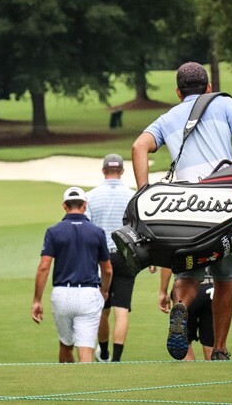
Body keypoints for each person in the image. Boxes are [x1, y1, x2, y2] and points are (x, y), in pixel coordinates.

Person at [131, 61, 232, 360]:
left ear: (178, 92)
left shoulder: (167, 118)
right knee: (224, 278)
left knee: (188, 274)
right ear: (208, 88)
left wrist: (143, 194)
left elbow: (139, 146)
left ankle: (180, 306)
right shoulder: (224, 104)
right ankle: (218, 349)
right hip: (223, 206)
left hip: (185, 211)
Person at [31, 187, 113, 363]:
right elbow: (107, 269)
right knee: (86, 350)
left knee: (65, 344)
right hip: (88, 294)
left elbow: (44, 267)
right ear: (84, 205)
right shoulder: (97, 232)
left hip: (62, 294)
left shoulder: (53, 231)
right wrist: (104, 290)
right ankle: (85, 387)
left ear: (64, 206)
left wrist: (37, 300)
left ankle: (66, 385)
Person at [85, 153, 148, 362]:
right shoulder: (132, 197)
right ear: (121, 171)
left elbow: (86, 232)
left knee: (102, 308)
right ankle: (117, 359)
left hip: (100, 260)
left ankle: (103, 353)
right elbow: (140, 229)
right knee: (122, 309)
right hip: (126, 257)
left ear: (103, 171)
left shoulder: (90, 196)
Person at [158, 267, 232, 360]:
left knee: (184, 343)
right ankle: (218, 355)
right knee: (212, 344)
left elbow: (167, 265)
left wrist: (163, 292)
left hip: (185, 289)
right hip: (214, 291)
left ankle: (190, 371)